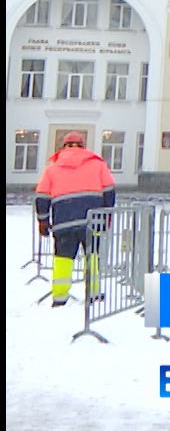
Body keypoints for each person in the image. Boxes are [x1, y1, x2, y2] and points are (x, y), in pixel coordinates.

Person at [34, 131, 116, 307]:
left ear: (64, 147)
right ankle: (93, 294)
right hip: (92, 221)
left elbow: (42, 196)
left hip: (64, 222)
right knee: (92, 257)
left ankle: (60, 297)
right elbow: (109, 191)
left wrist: (43, 220)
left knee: (63, 260)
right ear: (83, 146)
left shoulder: (52, 169)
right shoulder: (98, 165)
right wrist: (106, 216)